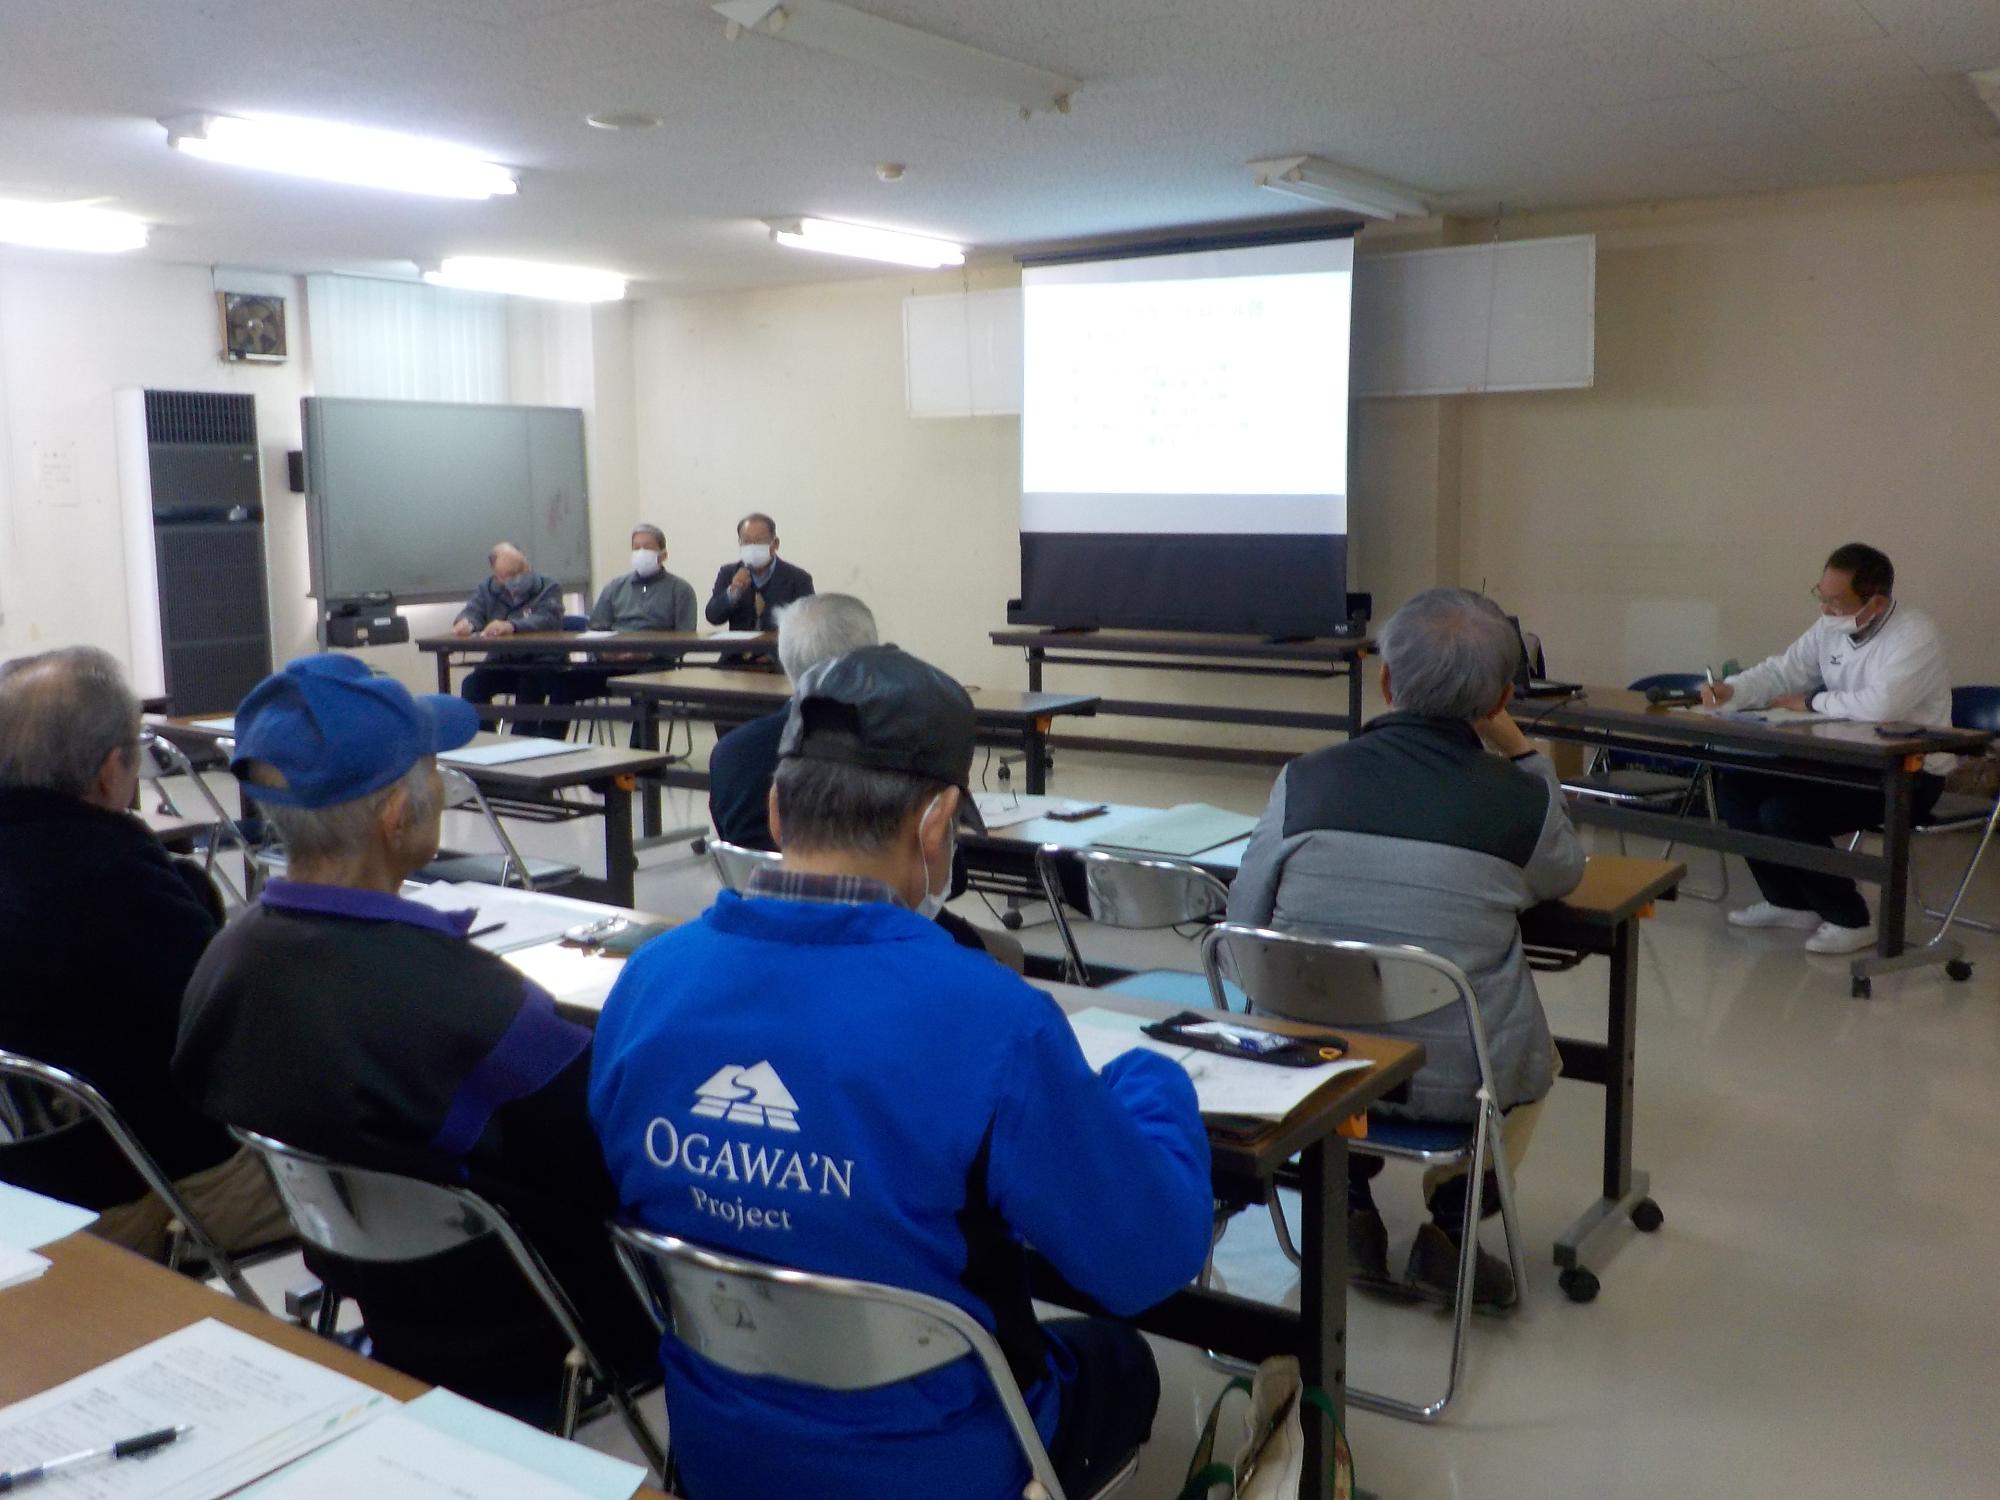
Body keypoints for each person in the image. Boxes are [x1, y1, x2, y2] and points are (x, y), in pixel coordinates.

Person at [591, 645, 1212, 1500]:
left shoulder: (647, 985)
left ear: (776, 810)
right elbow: (1146, 1264)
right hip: (943, 1466)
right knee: (1122, 1361)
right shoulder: (991, 1019)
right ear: (935, 825)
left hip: (718, 1453)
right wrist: (1155, 1079)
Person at [174, 654, 650, 1416]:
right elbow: (607, 1159)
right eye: (433, 765)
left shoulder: (225, 963)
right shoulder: (482, 1012)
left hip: (370, 1284)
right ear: (399, 813)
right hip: (537, 1315)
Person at [1227, 587, 1585, 1307]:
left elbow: (1245, 921)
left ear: (1386, 681)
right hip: (1450, 1085)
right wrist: (1526, 753)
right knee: (1538, 1055)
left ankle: (1350, 1211)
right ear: (1502, 697)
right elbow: (1565, 873)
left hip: (1310, 1071)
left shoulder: (1305, 780)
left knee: (1321, 1000)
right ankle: (1451, 1228)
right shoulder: (1522, 802)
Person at [0, 647, 288, 1260]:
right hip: (131, 1185)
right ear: (112, 770)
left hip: (20, 1178)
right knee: (378, 1172)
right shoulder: (114, 880)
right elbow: (231, 1033)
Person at [709, 594, 1024, 967]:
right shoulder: (1009, 1013)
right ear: (935, 828)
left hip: (763, 927)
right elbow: (948, 884)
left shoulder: (730, 752)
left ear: (777, 813)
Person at [1701, 543, 1953, 956]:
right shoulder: (1832, 627)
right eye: (1821, 595)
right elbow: (1784, 670)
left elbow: (1881, 706)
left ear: (1876, 602)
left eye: (1836, 601)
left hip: (1909, 773)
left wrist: (1812, 702)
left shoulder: (1915, 632)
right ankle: (1790, 902)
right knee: (1737, 787)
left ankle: (1852, 919)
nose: (1826, 609)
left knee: (1785, 811)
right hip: (1843, 761)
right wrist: (1735, 689)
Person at [548, 524, 699, 717]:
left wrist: (646, 654)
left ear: (663, 554)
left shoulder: (680, 590)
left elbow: (685, 637)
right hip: (612, 660)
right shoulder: (615, 587)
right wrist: (605, 654)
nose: (641, 552)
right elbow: (595, 628)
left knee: (642, 685)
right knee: (565, 682)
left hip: (654, 664)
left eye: (647, 547)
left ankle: (641, 746)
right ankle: (549, 741)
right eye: (636, 548)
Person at [453, 541, 566, 738]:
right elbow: (473, 612)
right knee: (472, 684)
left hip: (542, 662)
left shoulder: (549, 587)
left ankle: (520, 744)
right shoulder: (487, 590)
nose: (520, 576)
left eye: (522, 568)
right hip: (502, 662)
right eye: (512, 574)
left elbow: (548, 619)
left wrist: (512, 626)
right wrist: (467, 624)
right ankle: (485, 743)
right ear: (498, 577)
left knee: (529, 683)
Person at [704, 511, 814, 634]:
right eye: (746, 541)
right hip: (737, 652)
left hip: (779, 651)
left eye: (759, 541)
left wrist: (772, 654)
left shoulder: (798, 579)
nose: (752, 547)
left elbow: (807, 629)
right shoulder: (728, 573)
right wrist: (732, 592)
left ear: (775, 543)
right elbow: (713, 617)